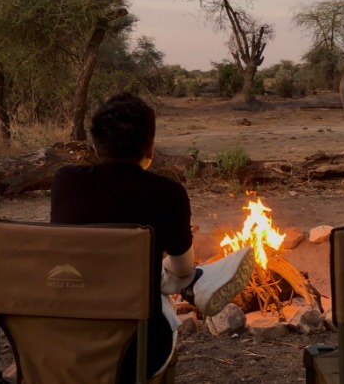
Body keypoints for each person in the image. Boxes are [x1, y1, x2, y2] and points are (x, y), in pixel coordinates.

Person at [50, 92, 254, 381]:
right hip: (136, 349)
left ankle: (180, 281)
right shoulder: (166, 193)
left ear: (95, 146)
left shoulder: (64, 182)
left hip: (61, 340)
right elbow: (182, 265)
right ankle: (193, 284)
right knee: (180, 273)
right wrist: (181, 274)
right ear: (150, 148)